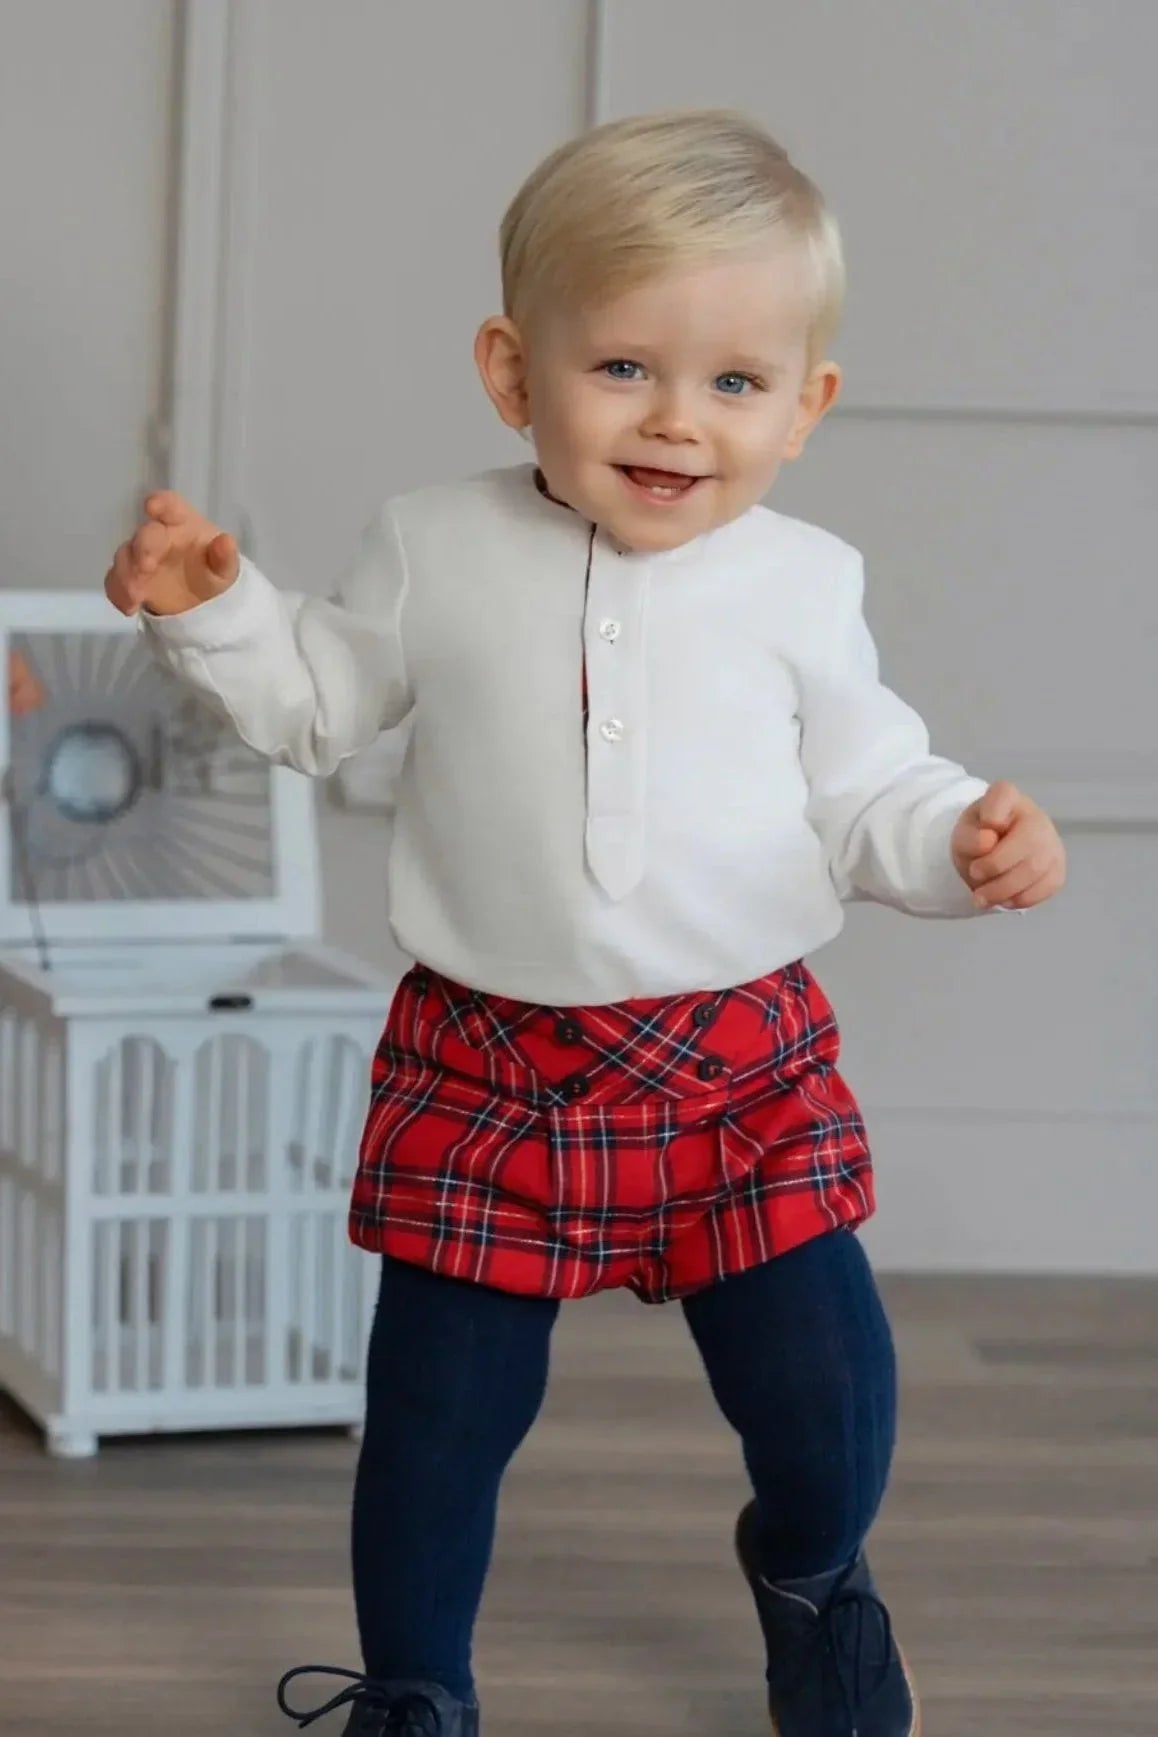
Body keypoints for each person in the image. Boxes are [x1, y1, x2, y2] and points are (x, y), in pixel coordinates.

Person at [105, 110, 1065, 1737]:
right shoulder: (434, 542)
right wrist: (222, 607)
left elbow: (865, 788)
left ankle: (814, 1581)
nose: (677, 421)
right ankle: (413, 1685)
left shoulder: (800, 582)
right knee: (432, 1423)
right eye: (622, 367)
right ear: (511, 369)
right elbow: (322, 706)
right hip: (488, 1063)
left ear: (804, 406)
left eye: (735, 383)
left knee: (823, 1400)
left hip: (736, 1064)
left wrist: (958, 841)